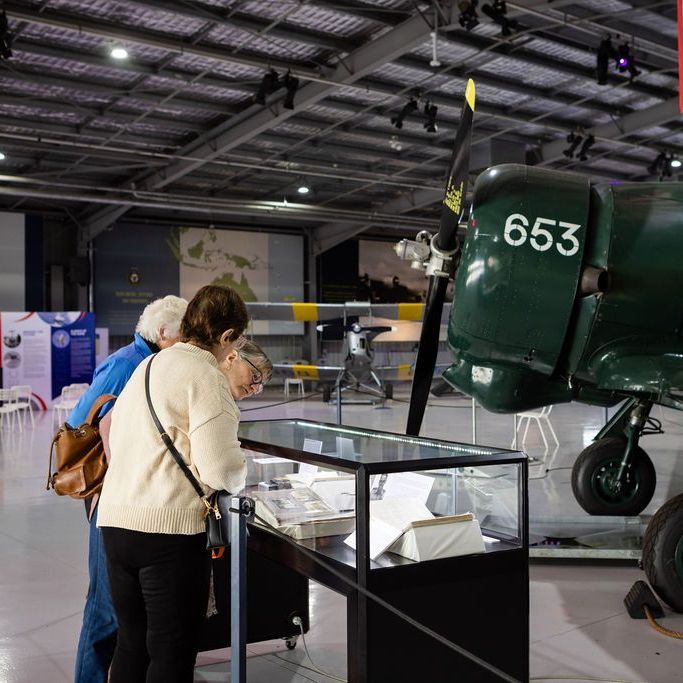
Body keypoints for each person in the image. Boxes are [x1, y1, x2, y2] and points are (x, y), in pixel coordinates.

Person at [97, 284, 250, 683]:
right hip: (167, 532)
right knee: (171, 652)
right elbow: (219, 470)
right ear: (227, 336)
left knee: (131, 644)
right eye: (239, 340)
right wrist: (244, 467)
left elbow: (113, 429)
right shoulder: (205, 374)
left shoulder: (150, 365)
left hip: (116, 522)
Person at [72, 295, 188, 683]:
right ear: (161, 333)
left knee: (127, 614)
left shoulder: (155, 364)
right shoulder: (126, 365)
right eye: (183, 336)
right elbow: (80, 423)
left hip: (136, 501)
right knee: (104, 611)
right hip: (111, 501)